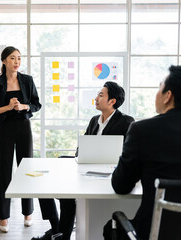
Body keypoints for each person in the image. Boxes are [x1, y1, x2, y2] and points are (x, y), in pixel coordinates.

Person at [103, 65, 181, 240]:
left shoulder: (141, 130)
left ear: (168, 96)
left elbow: (121, 185)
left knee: (110, 227)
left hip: (155, 232)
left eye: (159, 87)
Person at [32, 81, 134, 240]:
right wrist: (80, 157)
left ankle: (60, 232)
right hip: (86, 167)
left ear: (112, 101)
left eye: (101, 95)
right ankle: (57, 229)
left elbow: (128, 152)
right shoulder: (94, 120)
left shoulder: (126, 121)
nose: (96, 98)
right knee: (53, 171)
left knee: (67, 197)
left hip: (107, 173)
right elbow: (82, 148)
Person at [0, 46, 41, 233]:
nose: (16, 62)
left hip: (24, 128)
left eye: (19, 58)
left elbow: (36, 104)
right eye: (12, 58)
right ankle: (3, 216)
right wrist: (8, 107)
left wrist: (24, 106)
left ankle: (28, 213)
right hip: (5, 129)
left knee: (26, 171)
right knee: (3, 172)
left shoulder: (27, 80)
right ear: (3, 61)